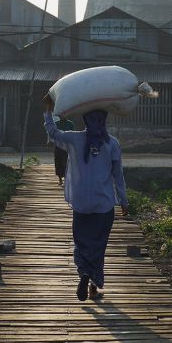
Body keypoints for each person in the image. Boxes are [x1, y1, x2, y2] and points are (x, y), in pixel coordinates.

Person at [43, 94, 128, 301]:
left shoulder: (75, 138)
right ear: (104, 120)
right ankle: (93, 284)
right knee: (98, 245)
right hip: (104, 205)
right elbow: (118, 176)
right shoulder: (113, 144)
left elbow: (53, 132)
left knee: (82, 243)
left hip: (81, 204)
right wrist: (124, 201)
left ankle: (83, 273)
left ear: (85, 121)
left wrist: (47, 110)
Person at [51, 118, 74, 186]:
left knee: (66, 162)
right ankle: (60, 179)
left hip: (66, 146)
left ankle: (66, 179)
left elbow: (72, 134)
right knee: (58, 162)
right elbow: (53, 133)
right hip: (58, 145)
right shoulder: (56, 124)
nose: (62, 116)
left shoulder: (70, 124)